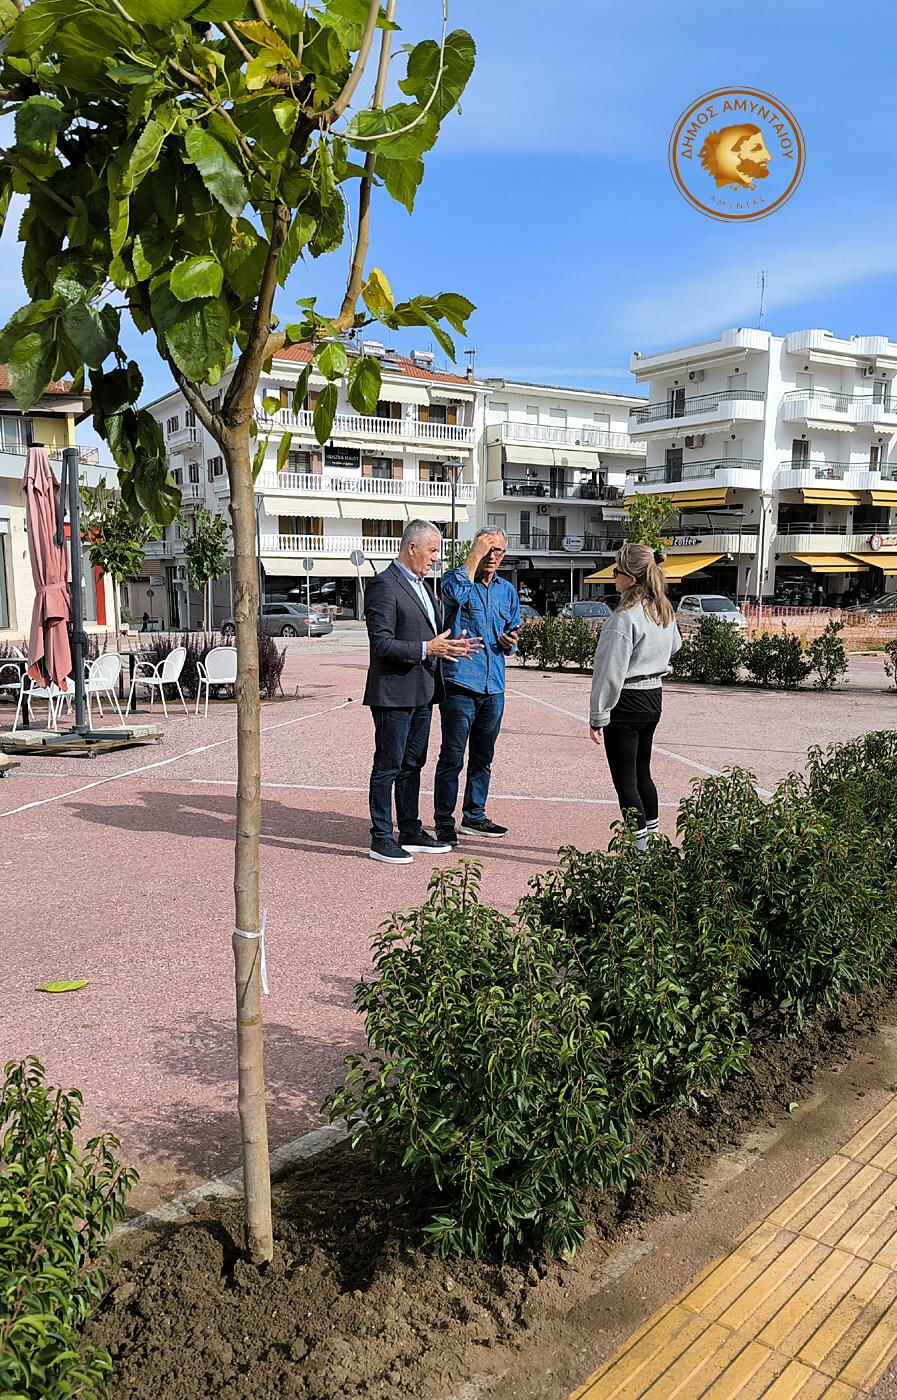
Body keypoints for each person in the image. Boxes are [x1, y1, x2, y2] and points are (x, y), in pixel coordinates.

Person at [363, 519, 477, 865]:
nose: (435, 558)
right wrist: (428, 648)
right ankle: (381, 837)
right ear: (411, 547)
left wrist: (450, 647)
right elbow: (382, 643)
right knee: (388, 765)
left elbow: (431, 636)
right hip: (393, 693)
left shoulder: (425, 587)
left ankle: (410, 830)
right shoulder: (384, 585)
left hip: (423, 692)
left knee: (413, 764)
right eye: (432, 550)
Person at [589, 543, 682, 852]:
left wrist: (598, 715)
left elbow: (609, 670)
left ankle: (640, 851)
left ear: (630, 577)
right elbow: (676, 645)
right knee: (643, 773)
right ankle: (651, 844)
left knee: (625, 781)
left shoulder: (623, 618)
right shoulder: (662, 610)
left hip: (627, 700)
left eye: (616, 571)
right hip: (654, 696)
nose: (613, 576)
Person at [433, 529, 521, 844]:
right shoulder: (456, 580)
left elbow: (512, 631)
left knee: (483, 757)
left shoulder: (506, 590)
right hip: (460, 683)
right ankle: (444, 821)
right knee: (452, 756)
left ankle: (474, 815)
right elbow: (454, 596)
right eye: (488, 549)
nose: (494, 556)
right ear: (477, 549)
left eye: (499, 551)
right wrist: (473, 556)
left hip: (494, 686)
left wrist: (510, 642)